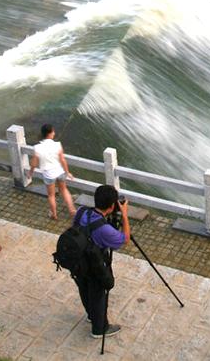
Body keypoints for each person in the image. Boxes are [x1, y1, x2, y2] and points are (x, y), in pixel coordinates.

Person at [73, 184, 129, 339]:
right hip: (93, 265)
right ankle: (100, 329)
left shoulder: (81, 211)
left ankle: (91, 315)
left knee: (84, 287)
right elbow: (125, 239)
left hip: (77, 261)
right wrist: (124, 215)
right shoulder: (104, 230)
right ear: (112, 207)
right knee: (98, 294)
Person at [28, 124, 76, 220]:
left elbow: (34, 163)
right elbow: (62, 160)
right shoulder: (57, 145)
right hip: (60, 172)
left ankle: (54, 214)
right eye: (53, 132)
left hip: (48, 174)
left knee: (51, 195)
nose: (54, 133)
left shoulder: (37, 148)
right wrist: (67, 172)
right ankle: (72, 210)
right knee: (64, 190)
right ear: (50, 133)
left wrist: (30, 172)